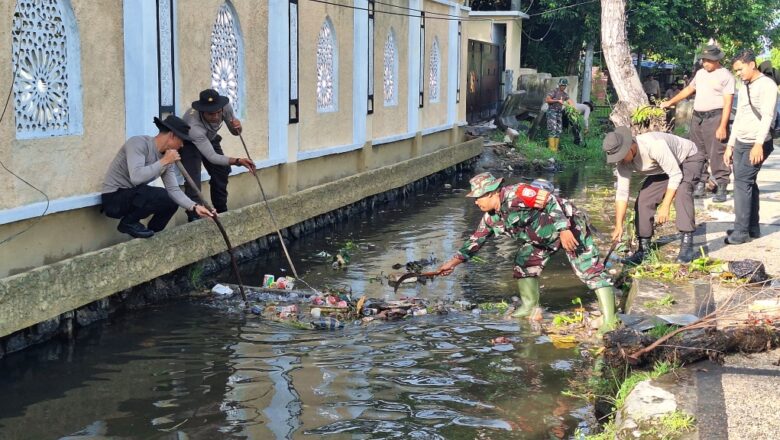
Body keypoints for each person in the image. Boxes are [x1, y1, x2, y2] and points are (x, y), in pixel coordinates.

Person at [437, 173, 617, 332]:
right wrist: (452, 263)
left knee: (589, 269)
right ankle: (530, 307)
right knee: (524, 262)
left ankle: (610, 320)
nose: (476, 202)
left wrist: (564, 229)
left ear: (491, 193)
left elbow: (549, 200)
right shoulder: (491, 218)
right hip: (541, 238)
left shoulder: (518, 194)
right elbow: (475, 241)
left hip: (569, 227)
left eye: (478, 198)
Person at [101, 115, 215, 238]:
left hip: (133, 197)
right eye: (181, 140)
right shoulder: (138, 143)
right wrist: (164, 161)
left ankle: (153, 235)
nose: (182, 145)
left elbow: (174, 190)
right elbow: (136, 177)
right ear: (172, 135)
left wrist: (195, 207)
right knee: (160, 194)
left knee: (171, 201)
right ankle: (128, 223)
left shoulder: (166, 158)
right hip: (113, 199)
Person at [603, 127, 704, 264]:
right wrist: (618, 225)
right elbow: (622, 193)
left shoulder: (654, 145)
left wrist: (665, 205)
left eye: (620, 156)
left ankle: (687, 246)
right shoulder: (623, 162)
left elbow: (675, 175)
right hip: (663, 169)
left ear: (630, 147)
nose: (619, 160)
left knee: (682, 193)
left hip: (688, 159)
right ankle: (643, 249)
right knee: (644, 200)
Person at [661, 45, 735, 202]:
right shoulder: (700, 74)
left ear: (717, 60)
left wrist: (722, 126)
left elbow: (728, 103)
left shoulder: (726, 76)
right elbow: (688, 89)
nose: (705, 63)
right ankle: (701, 182)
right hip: (698, 117)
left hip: (715, 116)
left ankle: (722, 184)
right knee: (697, 151)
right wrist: (670, 102)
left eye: (709, 61)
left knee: (717, 151)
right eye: (704, 60)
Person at [723, 49, 777, 244]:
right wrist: (730, 144)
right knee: (747, 183)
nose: (738, 74)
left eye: (740, 69)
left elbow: (768, 116)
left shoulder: (767, 85)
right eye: (736, 71)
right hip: (741, 141)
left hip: (757, 143)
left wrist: (758, 144)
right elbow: (739, 116)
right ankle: (751, 227)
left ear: (752, 64)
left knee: (742, 184)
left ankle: (741, 232)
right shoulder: (745, 85)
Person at [181, 89, 256, 220]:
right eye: (211, 114)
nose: (216, 117)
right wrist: (238, 161)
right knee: (193, 181)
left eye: (218, 112)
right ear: (202, 111)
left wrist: (238, 127)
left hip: (210, 138)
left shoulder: (225, 107)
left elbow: (235, 132)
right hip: (190, 143)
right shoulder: (193, 125)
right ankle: (194, 217)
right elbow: (212, 157)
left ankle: (221, 212)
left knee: (222, 171)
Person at [545, 78, 575, 152]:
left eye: (565, 86)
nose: (563, 87)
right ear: (559, 85)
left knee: (558, 130)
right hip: (552, 112)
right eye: (562, 85)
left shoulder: (565, 94)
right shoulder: (554, 91)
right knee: (552, 129)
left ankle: (555, 149)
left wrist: (572, 107)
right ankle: (551, 149)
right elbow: (547, 100)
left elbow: (570, 101)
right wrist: (557, 101)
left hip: (559, 113)